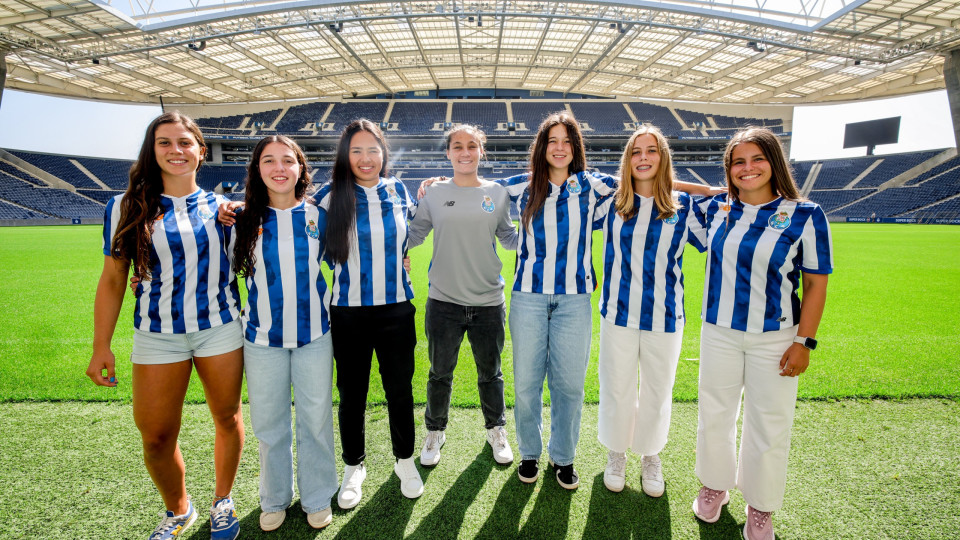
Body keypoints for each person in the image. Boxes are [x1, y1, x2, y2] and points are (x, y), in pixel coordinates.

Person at [86, 111, 244, 540]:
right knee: (155, 435)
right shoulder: (124, 205)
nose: (176, 150)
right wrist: (102, 345)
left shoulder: (225, 209)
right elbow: (115, 277)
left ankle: (223, 500)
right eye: (165, 143)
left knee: (227, 417)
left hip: (220, 327)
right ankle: (179, 510)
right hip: (156, 333)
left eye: (184, 142)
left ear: (200, 150)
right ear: (151, 150)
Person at [690, 127, 831, 540]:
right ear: (728, 170)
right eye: (738, 162)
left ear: (774, 162)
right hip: (719, 330)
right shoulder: (718, 208)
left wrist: (804, 342)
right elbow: (665, 189)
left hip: (776, 335)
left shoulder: (805, 214)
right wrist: (717, 188)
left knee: (769, 422)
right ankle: (715, 485)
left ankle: (761, 506)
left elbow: (816, 283)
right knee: (714, 414)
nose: (747, 168)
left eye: (756, 159)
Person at [230, 136, 337, 531]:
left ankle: (316, 495)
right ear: (258, 170)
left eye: (287, 160)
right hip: (261, 339)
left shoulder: (317, 217)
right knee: (270, 423)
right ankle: (273, 498)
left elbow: (336, 262)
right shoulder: (242, 219)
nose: (279, 168)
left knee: (315, 419)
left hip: (314, 336)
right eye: (269, 161)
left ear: (300, 168)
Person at [315, 119, 423, 507]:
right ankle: (353, 466)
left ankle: (404, 460)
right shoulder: (328, 196)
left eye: (373, 150)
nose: (365, 158)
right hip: (348, 313)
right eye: (357, 150)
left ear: (384, 154)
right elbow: (306, 235)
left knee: (399, 390)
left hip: (396, 309)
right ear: (346, 155)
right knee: (352, 394)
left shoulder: (397, 189)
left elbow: (410, 232)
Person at [593, 125, 706, 496]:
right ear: (627, 160)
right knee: (617, 387)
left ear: (663, 158)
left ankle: (651, 455)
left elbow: (719, 227)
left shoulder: (683, 207)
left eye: (652, 151)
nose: (643, 157)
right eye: (636, 151)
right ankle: (617, 452)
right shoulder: (611, 201)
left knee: (658, 391)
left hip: (665, 316)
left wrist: (703, 191)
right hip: (617, 313)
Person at [406, 125, 518, 469]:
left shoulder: (497, 193)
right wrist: (384, 251)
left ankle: (496, 429)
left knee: (491, 373)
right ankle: (435, 431)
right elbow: (413, 233)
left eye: (472, 146)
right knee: (440, 373)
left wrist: (546, 235)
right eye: (458, 146)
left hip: (488, 301)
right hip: (444, 302)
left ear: (481, 151)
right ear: (449, 153)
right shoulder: (435, 193)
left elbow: (510, 238)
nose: (465, 152)